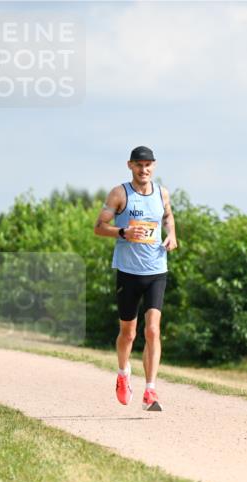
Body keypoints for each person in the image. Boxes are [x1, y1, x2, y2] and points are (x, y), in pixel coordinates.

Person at [94, 146, 178, 410]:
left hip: (156, 270)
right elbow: (99, 227)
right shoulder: (120, 193)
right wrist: (122, 233)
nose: (145, 170)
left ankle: (150, 391)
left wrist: (172, 235)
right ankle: (122, 375)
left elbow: (167, 216)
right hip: (128, 272)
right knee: (128, 334)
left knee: (153, 329)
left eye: (149, 165)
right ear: (130, 165)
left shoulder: (161, 192)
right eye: (140, 165)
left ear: (154, 166)